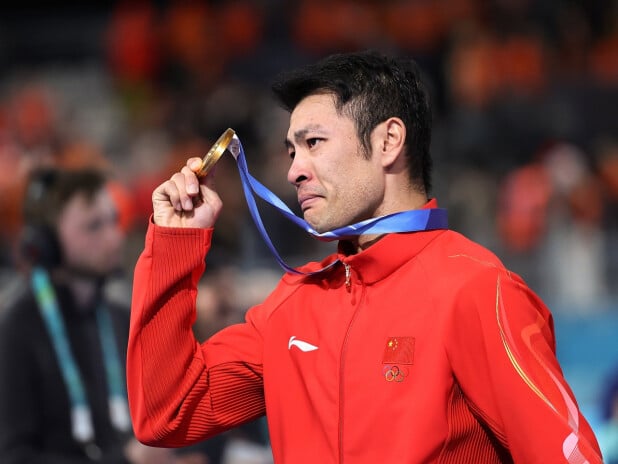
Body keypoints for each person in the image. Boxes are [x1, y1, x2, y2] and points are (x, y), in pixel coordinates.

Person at [126, 50, 603, 463]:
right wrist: (175, 245)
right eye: (291, 151)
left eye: (313, 143)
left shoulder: (476, 290)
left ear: (388, 141)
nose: (294, 171)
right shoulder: (293, 304)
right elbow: (167, 413)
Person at [0, 166, 206, 463]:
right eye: (93, 226)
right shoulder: (17, 329)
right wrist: (125, 460)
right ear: (46, 244)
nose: (114, 238)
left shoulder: (122, 318)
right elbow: (14, 458)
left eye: (113, 221)